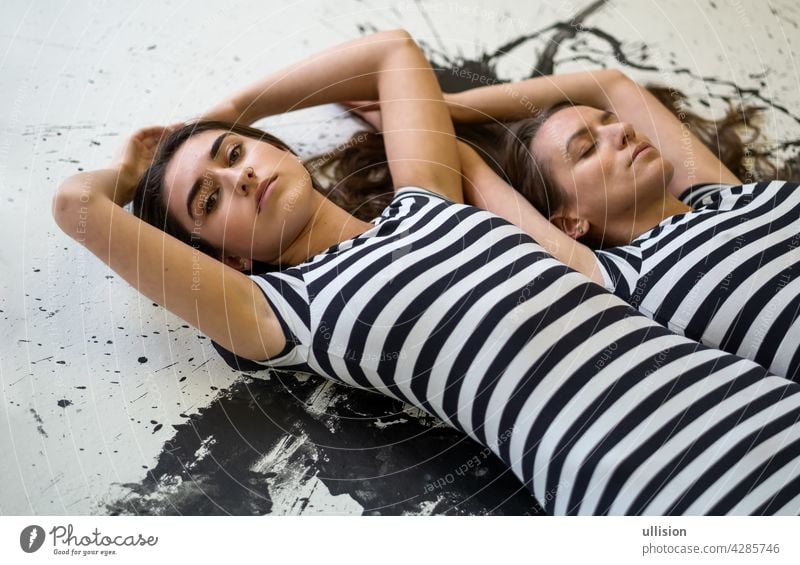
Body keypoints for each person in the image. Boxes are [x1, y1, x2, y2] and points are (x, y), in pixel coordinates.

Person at [52, 30, 800, 515]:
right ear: (228, 258)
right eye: (209, 198)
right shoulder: (283, 311)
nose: (240, 176)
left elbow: (391, 54)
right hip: (659, 494)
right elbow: (75, 203)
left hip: (765, 407)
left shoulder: (428, 203)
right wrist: (132, 170)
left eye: (238, 152)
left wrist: (223, 112)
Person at [350, 69, 799, 383]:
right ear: (569, 221)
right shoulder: (620, 279)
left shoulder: (726, 194)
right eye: (587, 148)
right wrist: (406, 108)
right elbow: (454, 158)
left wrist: (449, 104)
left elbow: (609, 84)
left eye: (607, 122)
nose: (621, 129)